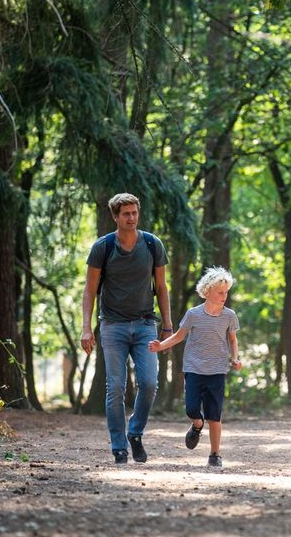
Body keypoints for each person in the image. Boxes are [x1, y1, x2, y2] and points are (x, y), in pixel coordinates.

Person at [80, 193, 172, 465]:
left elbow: (162, 287)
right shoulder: (103, 247)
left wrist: (167, 325)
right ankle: (119, 447)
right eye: (125, 214)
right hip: (112, 326)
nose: (131, 218)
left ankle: (135, 432)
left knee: (149, 383)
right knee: (116, 387)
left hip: (145, 324)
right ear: (115, 217)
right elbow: (90, 290)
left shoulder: (152, 244)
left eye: (134, 213)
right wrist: (87, 328)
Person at [148, 267, 242, 468]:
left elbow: (233, 340)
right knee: (191, 408)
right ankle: (197, 425)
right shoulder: (193, 314)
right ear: (207, 291)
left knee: (214, 414)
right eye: (220, 292)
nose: (224, 296)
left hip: (217, 370)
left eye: (226, 292)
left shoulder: (229, 316)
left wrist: (235, 359)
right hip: (193, 368)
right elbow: (180, 336)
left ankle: (215, 454)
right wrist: (161, 346)